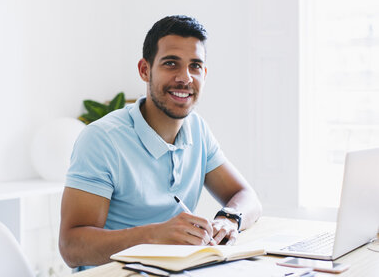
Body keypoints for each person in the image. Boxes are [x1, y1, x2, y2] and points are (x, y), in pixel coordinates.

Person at [59, 15, 262, 269]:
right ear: (145, 70)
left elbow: (246, 196)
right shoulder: (101, 139)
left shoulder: (197, 128)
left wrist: (229, 219)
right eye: (171, 64)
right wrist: (153, 236)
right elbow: (72, 247)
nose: (185, 77)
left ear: (205, 74)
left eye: (195, 66)